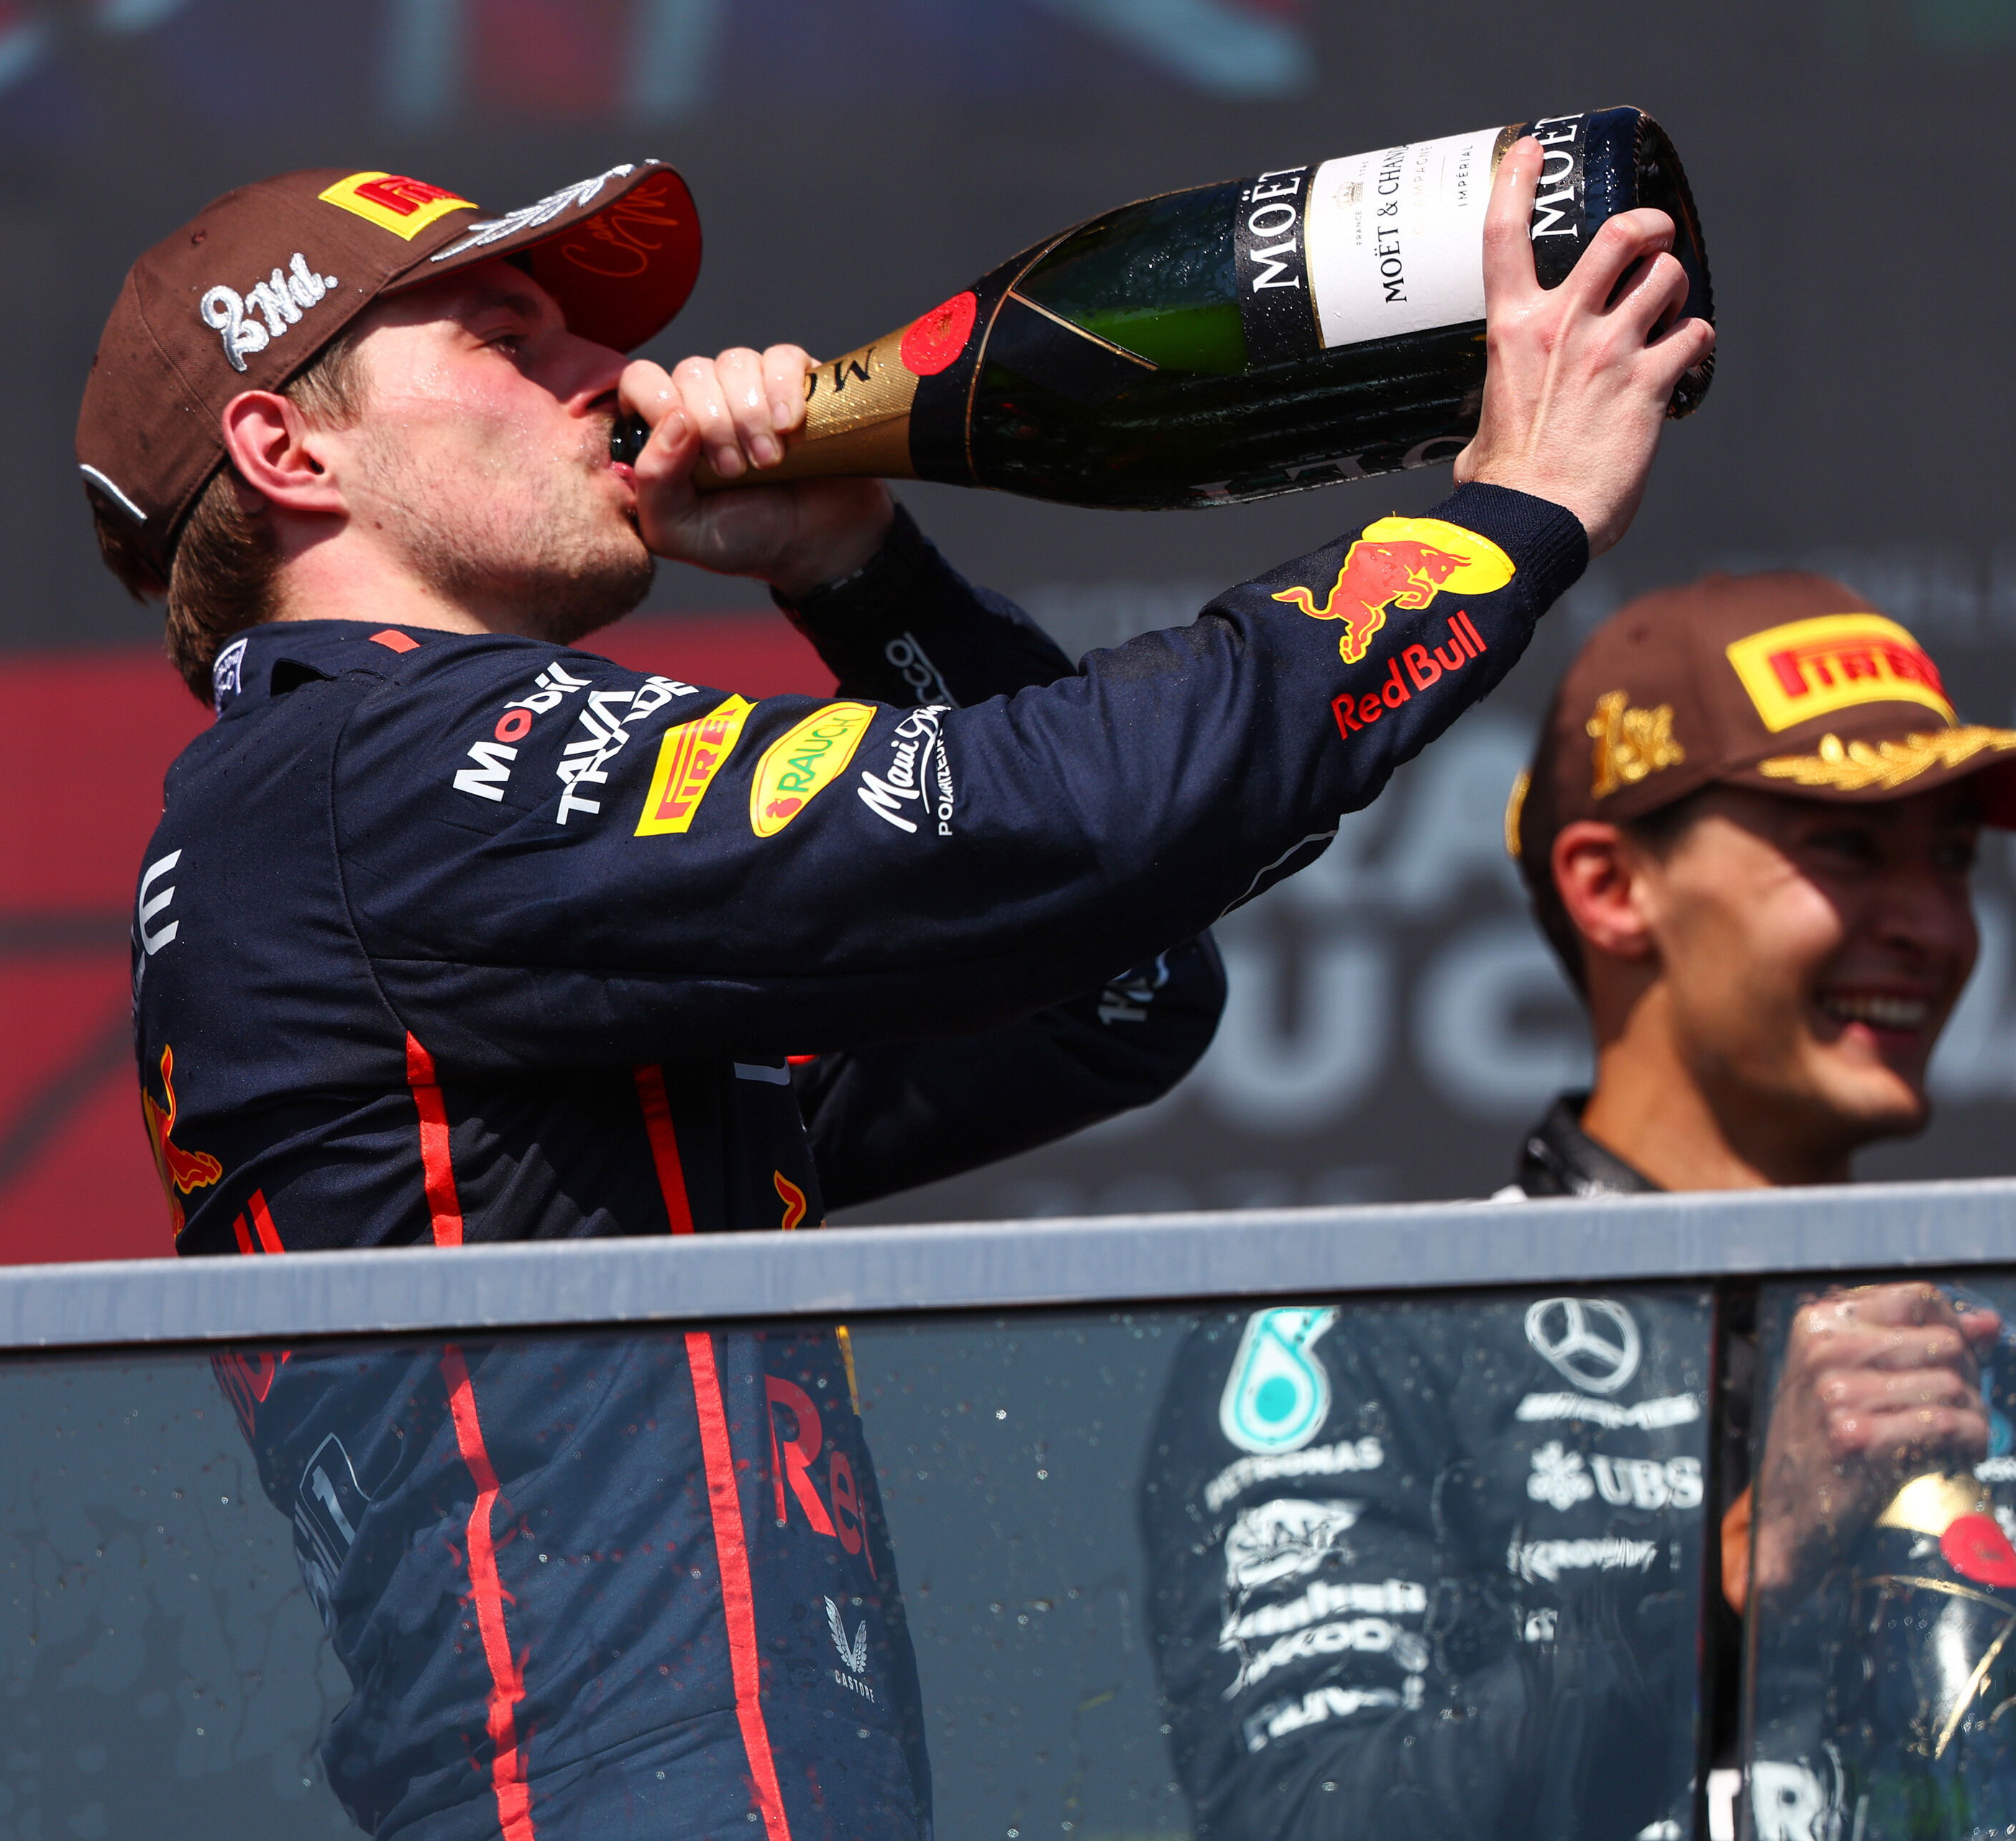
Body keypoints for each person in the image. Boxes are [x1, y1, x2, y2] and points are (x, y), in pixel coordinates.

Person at [82, 147, 1710, 1838]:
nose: (613, 376)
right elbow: (1082, 817)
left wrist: (864, 579)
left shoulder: (412, 862)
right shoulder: (378, 769)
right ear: (289, 448)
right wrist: (1505, 509)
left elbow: (1122, 989)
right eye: (509, 338)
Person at [1140, 573, 2016, 1841]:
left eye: (1953, 860)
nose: (1930, 924)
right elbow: (1310, 1823)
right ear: (1611, 888)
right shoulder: (1361, 1347)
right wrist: (1741, 1566)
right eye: (1846, 847)